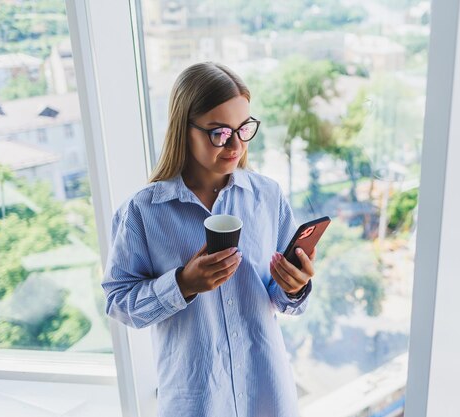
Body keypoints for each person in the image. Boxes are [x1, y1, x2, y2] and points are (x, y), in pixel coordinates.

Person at [102, 62, 316, 417]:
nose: (235, 144)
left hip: (267, 394)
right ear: (184, 129)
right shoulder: (142, 212)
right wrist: (183, 283)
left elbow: (282, 300)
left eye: (243, 128)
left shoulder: (267, 197)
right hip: (195, 400)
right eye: (219, 132)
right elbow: (119, 302)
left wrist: (294, 287)